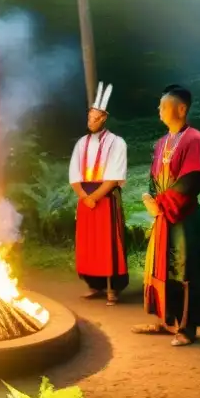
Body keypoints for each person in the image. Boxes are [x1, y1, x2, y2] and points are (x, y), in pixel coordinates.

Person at [133, 85, 200, 346]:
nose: (159, 110)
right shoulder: (161, 144)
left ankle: (187, 328)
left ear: (182, 108)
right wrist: (149, 198)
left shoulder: (195, 140)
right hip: (163, 217)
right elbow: (152, 180)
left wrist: (160, 204)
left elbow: (192, 181)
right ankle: (167, 320)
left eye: (164, 105)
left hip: (184, 217)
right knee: (162, 267)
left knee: (186, 268)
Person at [68, 81, 129, 305]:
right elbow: (74, 174)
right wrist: (84, 196)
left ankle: (113, 287)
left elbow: (114, 176)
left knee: (108, 243)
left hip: (106, 197)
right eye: (88, 118)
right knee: (88, 243)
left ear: (104, 118)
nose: (90, 122)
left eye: (95, 118)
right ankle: (94, 284)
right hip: (86, 198)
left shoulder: (117, 143)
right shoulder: (81, 143)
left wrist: (95, 196)